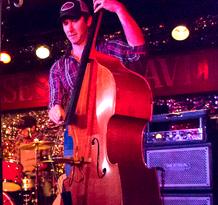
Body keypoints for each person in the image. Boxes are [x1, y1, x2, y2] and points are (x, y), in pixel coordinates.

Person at [48, 0, 146, 180]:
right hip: (76, 137)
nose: (70, 28)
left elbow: (137, 52)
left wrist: (119, 9)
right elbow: (54, 105)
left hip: (109, 132)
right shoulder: (58, 67)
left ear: (88, 21)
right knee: (73, 184)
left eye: (75, 20)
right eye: (65, 23)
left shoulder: (107, 49)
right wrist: (54, 112)